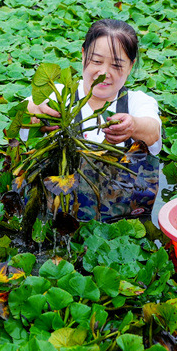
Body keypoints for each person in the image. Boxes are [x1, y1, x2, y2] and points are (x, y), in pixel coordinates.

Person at [25, 18, 163, 221]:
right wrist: (37, 112)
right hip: (61, 221)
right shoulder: (60, 96)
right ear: (83, 55)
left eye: (116, 65)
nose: (104, 73)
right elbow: (26, 109)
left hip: (123, 226)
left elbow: (152, 131)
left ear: (131, 66)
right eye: (97, 61)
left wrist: (132, 125)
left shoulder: (138, 102)